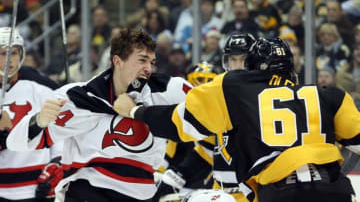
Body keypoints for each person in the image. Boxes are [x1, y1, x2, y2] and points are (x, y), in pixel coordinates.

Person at [113, 37, 359, 202]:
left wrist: (136, 111)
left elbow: (178, 123)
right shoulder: (329, 95)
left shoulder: (233, 89)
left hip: (275, 193)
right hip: (335, 190)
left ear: (252, 68)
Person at [7, 28, 192, 202]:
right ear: (117, 61)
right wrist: (38, 120)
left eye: (152, 62)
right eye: (142, 60)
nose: (148, 69)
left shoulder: (168, 90)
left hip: (140, 194)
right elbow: (15, 142)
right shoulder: (77, 97)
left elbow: (210, 111)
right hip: (84, 192)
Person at [155, 34, 257, 202]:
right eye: (233, 60)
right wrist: (176, 176)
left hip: (253, 191)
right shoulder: (218, 97)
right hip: (222, 191)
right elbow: (207, 151)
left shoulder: (264, 97)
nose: (238, 66)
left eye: (244, 59)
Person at [0, 27, 63, 201]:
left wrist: (57, 162)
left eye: (13, 53)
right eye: (2, 53)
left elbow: (59, 133)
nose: (8, 60)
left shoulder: (40, 90)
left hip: (35, 188)